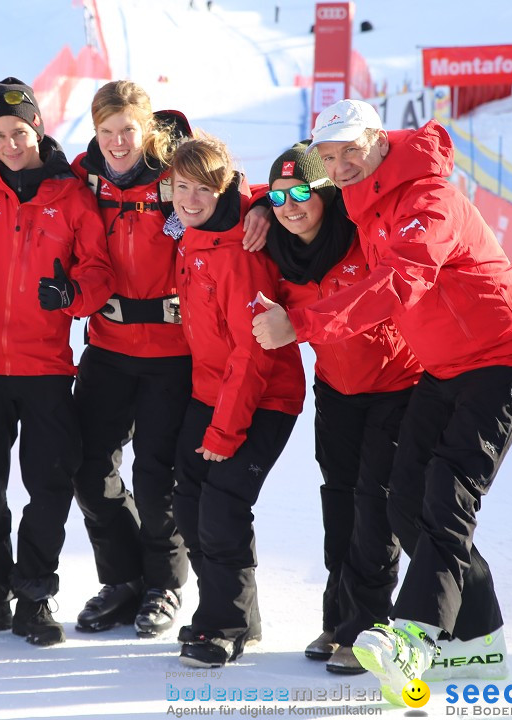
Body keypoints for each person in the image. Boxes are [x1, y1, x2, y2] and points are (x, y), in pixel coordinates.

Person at [253, 100, 512, 704]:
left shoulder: (426, 198)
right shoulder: (365, 196)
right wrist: (262, 201)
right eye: (329, 156)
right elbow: (291, 190)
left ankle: (414, 636)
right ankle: (478, 642)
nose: (338, 166)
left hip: (505, 358)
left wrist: (302, 325)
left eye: (348, 152)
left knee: (447, 495)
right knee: (405, 501)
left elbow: (401, 280)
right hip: (444, 366)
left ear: (377, 141)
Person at [70, 81, 270, 639]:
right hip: (108, 347)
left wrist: (263, 213)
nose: (116, 142)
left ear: (148, 129)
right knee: (87, 470)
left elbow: (229, 189)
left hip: (171, 354)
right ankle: (122, 578)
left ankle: (163, 583)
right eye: (106, 131)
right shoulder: (85, 178)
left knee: (157, 478)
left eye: (127, 130)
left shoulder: (174, 175)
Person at [0, 78, 113, 647]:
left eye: (20, 131)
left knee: (49, 483)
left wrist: (73, 296)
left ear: (38, 128)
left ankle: (35, 594)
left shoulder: (72, 196)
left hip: (45, 366)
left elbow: (98, 271)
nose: (11, 143)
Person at [260, 141, 421, 674]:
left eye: (303, 191)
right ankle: (339, 618)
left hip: (397, 384)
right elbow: (232, 200)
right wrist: (260, 202)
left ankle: (369, 629)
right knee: (339, 502)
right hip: (336, 389)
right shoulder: (277, 250)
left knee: (375, 506)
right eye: (280, 196)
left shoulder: (361, 234)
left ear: (327, 194)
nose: (291, 205)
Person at [168, 135, 305, 668]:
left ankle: (223, 625)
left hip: (262, 397)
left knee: (221, 507)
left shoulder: (241, 254)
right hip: (208, 391)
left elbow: (253, 357)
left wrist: (224, 432)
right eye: (182, 187)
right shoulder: (189, 233)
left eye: (205, 189)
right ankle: (232, 610)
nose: (191, 200)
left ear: (226, 188)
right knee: (188, 503)